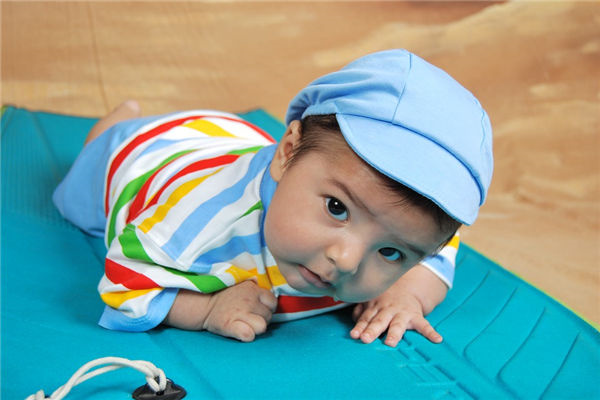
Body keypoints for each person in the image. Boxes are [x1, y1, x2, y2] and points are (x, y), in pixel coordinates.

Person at [53, 49, 493, 347]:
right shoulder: (200, 223)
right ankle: (118, 120)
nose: (345, 260)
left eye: (391, 252)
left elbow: (440, 245)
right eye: (336, 208)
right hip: (151, 155)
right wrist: (205, 309)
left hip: (236, 138)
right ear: (288, 152)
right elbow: (124, 282)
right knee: (93, 169)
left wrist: (410, 294)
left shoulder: (410, 227)